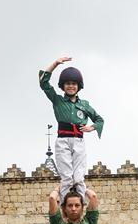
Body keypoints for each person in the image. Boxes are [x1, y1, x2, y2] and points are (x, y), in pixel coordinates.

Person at [38, 55, 104, 199]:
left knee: (79, 178)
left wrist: (91, 128)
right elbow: (43, 82)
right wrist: (55, 63)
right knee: (67, 177)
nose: (71, 86)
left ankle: (80, 208)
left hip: (78, 141)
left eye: (74, 83)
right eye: (67, 83)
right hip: (63, 141)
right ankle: (64, 207)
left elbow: (99, 120)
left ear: (78, 86)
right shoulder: (58, 101)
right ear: (63, 85)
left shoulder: (84, 105)